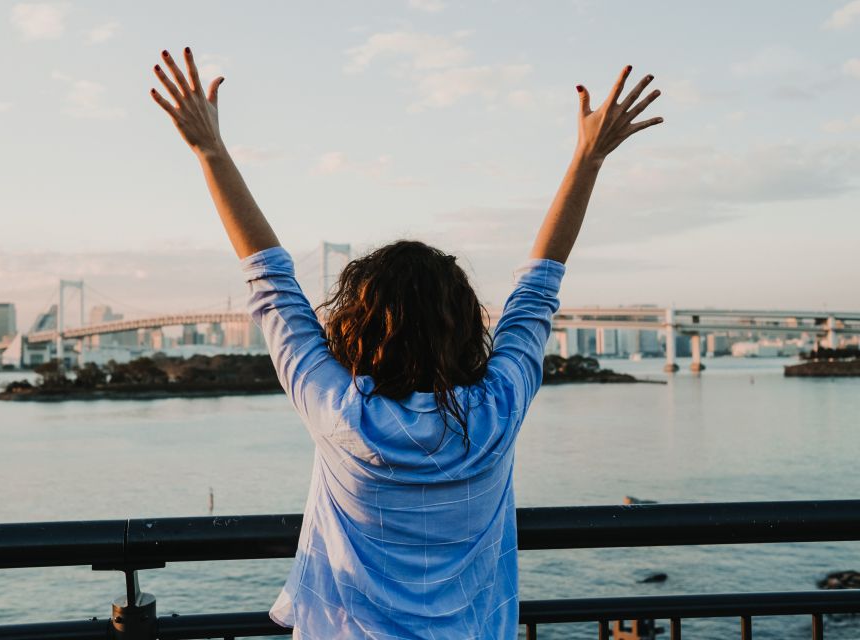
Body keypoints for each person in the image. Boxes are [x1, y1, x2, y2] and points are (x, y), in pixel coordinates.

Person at [151, 47, 662, 640]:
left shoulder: (339, 412)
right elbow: (538, 288)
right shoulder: (497, 411)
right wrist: (588, 158)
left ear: (353, 326)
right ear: (468, 325)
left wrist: (210, 152)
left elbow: (270, 283)